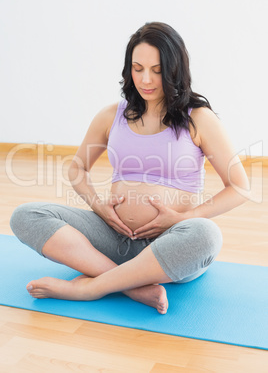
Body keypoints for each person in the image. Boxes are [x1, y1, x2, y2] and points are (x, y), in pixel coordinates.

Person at [10, 22, 250, 314]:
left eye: (157, 70)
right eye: (138, 68)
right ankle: (132, 286)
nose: (146, 79)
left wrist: (183, 217)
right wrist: (101, 209)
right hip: (113, 239)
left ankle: (90, 287)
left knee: (207, 236)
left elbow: (239, 186)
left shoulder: (197, 118)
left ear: (175, 68)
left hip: (169, 242)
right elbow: (76, 169)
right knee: (27, 216)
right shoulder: (112, 115)